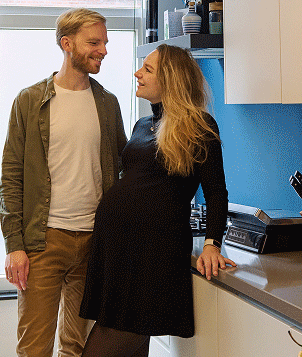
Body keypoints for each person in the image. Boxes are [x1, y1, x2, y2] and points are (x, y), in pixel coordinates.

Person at [79, 44, 236, 357]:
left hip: (152, 252)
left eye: (147, 69)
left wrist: (211, 245)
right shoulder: (142, 125)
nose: (138, 73)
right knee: (129, 339)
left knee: (114, 336)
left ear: (171, 80)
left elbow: (216, 191)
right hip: (118, 249)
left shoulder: (199, 126)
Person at [0, 8, 129, 357]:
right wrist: (14, 244)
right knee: (34, 348)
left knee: (76, 347)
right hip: (43, 242)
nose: (103, 50)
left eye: (105, 42)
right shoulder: (29, 102)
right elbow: (11, 175)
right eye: (94, 42)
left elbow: (123, 171)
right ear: (67, 44)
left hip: (92, 242)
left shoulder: (108, 104)